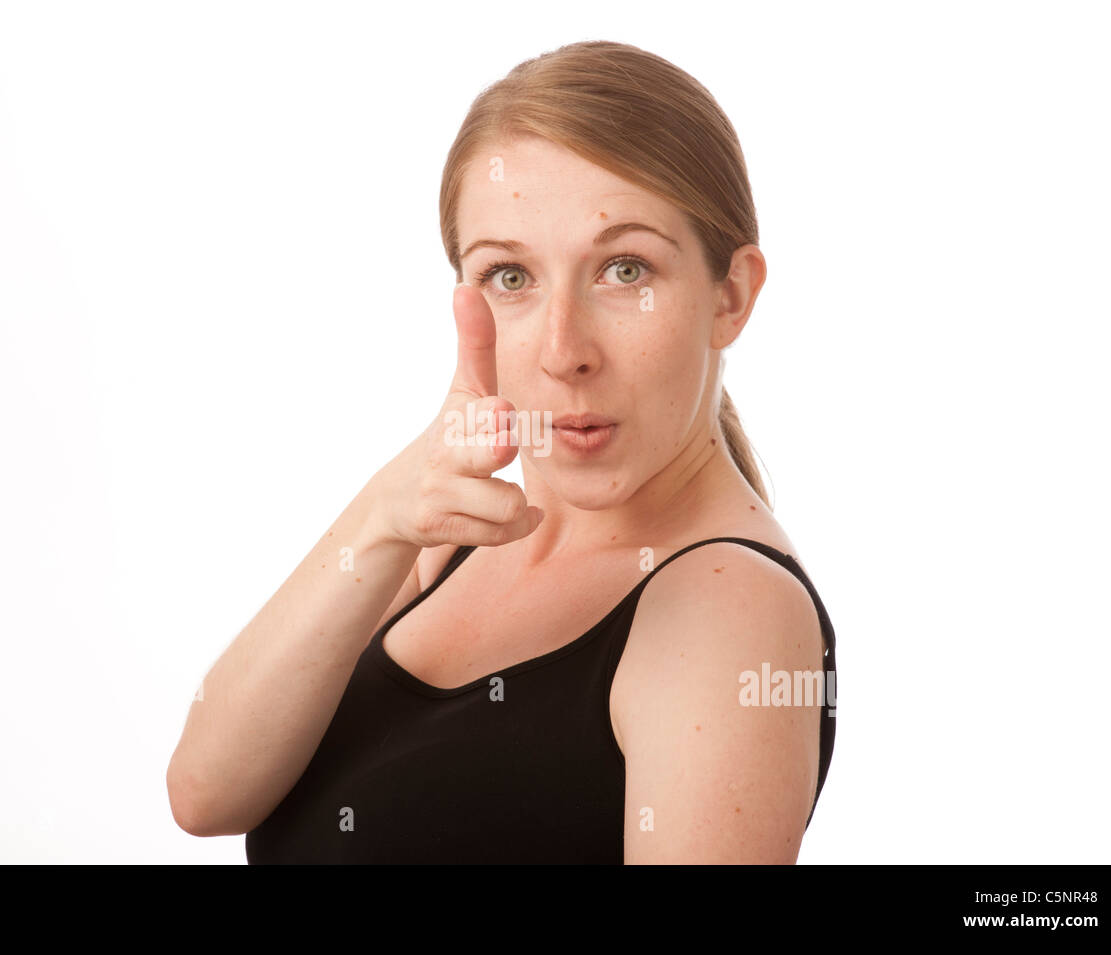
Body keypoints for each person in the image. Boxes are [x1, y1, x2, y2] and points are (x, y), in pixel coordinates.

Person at [166, 39, 837, 864]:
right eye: (511, 277)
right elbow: (205, 790)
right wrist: (386, 514)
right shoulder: (445, 537)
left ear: (729, 296)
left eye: (625, 269)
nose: (563, 351)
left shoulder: (727, 606)